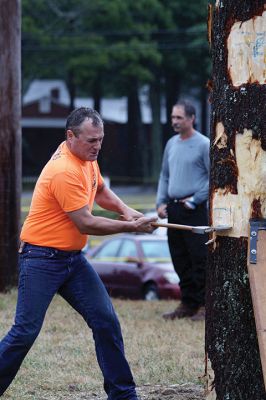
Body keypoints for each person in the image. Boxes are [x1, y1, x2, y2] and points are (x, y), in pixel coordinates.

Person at [0, 107, 157, 399]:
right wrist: (131, 227)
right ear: (70, 136)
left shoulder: (86, 159)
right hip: (41, 259)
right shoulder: (64, 170)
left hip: (72, 259)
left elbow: (100, 190)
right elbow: (86, 221)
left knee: (106, 321)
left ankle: (123, 395)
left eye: (100, 139)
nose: (97, 146)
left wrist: (126, 211)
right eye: (91, 140)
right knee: (24, 332)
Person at [156, 99, 210, 321]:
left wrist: (196, 200)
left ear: (191, 119)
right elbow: (164, 175)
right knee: (179, 258)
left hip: (194, 211)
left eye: (179, 117)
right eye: (172, 117)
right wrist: (160, 202)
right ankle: (188, 304)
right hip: (174, 209)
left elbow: (214, 177)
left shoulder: (204, 144)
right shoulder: (171, 144)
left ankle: (206, 306)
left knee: (199, 258)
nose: (174, 121)